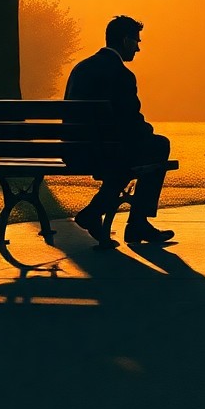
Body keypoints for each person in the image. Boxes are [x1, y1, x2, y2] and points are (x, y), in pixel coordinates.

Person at [65, 15, 175, 245]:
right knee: (158, 146)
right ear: (125, 41)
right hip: (106, 153)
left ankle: (96, 212)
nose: (138, 48)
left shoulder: (80, 69)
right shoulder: (122, 75)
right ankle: (137, 223)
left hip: (75, 152)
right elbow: (130, 121)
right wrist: (148, 131)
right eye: (136, 41)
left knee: (126, 157)